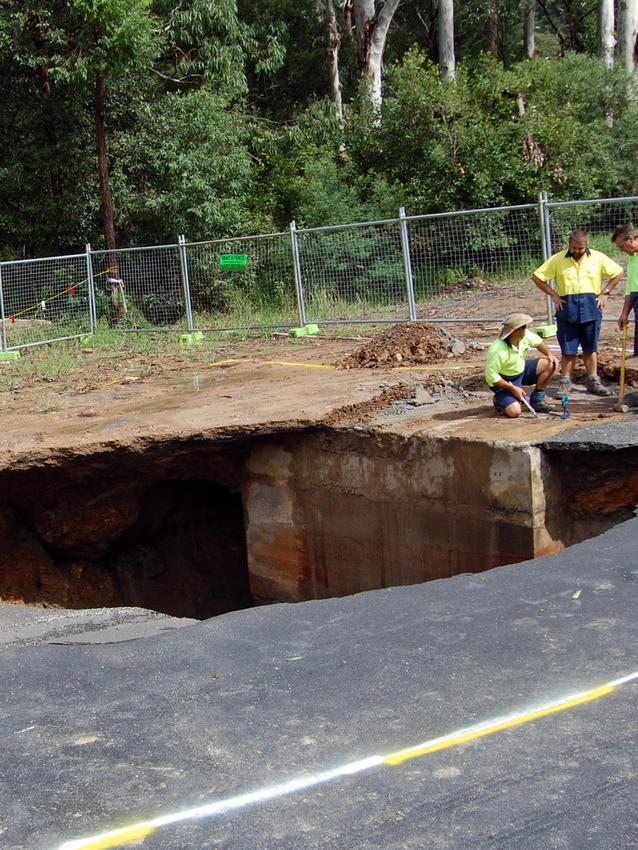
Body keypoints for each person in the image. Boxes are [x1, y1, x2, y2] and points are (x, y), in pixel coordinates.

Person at [531, 228, 623, 397]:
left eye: (581, 248)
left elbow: (617, 272)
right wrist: (553, 295)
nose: (578, 251)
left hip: (591, 309)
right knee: (568, 350)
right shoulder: (557, 260)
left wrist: (605, 292)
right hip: (567, 310)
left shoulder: (598, 257)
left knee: (590, 348)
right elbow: (537, 277)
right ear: (569, 244)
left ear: (586, 245)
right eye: (574, 248)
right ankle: (565, 383)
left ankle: (593, 382)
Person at [485, 313, 559, 417]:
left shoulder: (524, 335)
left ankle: (537, 399)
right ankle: (499, 401)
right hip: (505, 380)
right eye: (524, 327)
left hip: (521, 371)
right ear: (516, 331)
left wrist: (549, 354)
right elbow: (491, 377)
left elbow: (538, 343)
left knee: (550, 363)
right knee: (515, 412)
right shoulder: (497, 350)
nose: (526, 329)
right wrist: (512, 388)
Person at [611, 223, 638, 355]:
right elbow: (631, 289)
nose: (621, 250)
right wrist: (625, 313)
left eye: (622, 246)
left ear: (631, 238)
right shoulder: (632, 257)